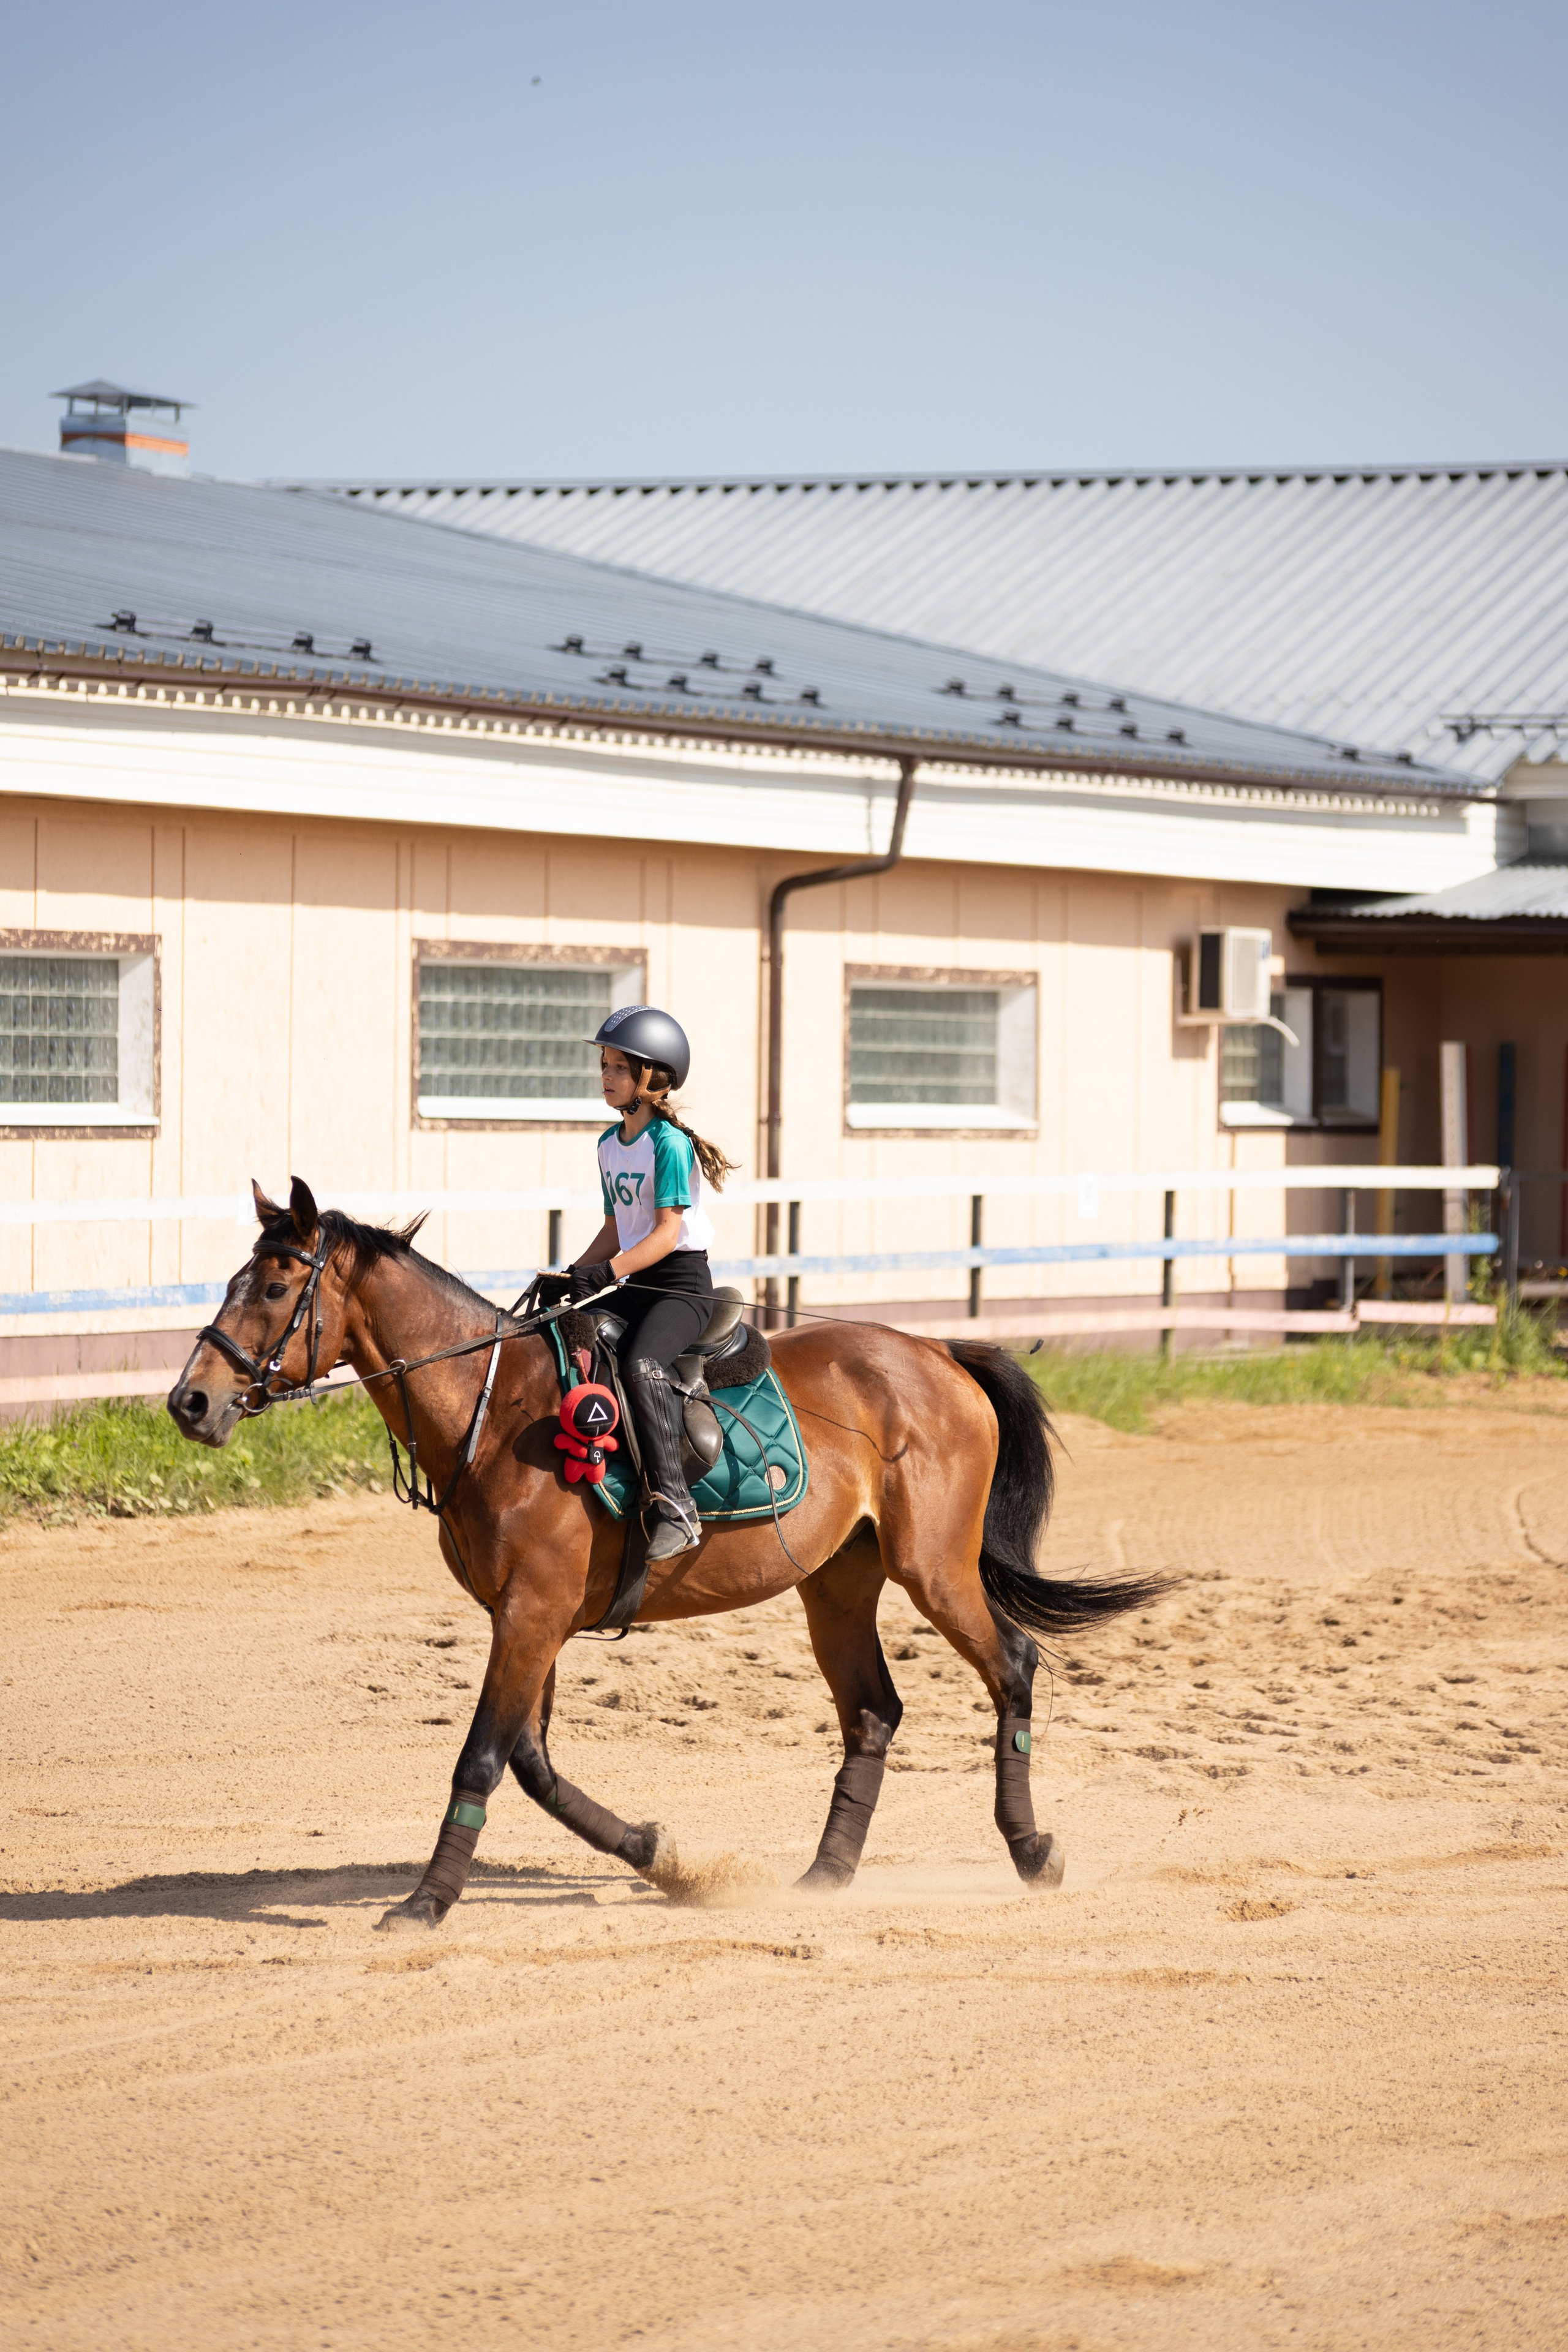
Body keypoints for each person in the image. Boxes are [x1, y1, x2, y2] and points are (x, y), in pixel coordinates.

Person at [562, 1006, 737, 1562]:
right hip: (634, 1276)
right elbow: (616, 1229)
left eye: (617, 1067)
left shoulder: (669, 1144)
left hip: (680, 1283)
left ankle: (676, 1506)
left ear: (650, 1078)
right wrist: (570, 1275)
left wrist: (606, 1274)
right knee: (568, 1337)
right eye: (604, 1066)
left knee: (642, 1363)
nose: (606, 1076)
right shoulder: (608, 1145)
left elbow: (666, 1234)